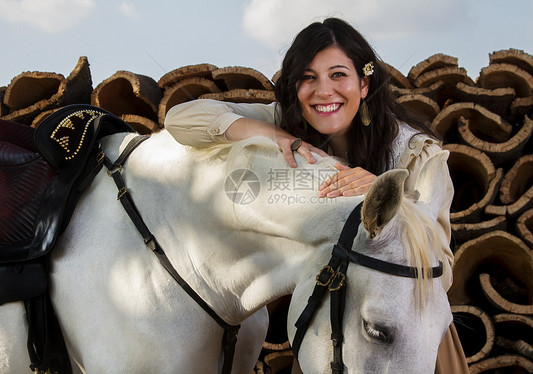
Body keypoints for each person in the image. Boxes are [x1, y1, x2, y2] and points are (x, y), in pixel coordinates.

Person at [164, 17, 469, 374]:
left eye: (338, 75)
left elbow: (442, 271)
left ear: (364, 83)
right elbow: (181, 118)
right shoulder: (288, 123)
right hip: (331, 327)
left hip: (404, 338)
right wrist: (271, 133)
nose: (324, 91)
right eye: (308, 78)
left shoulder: (419, 156)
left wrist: (386, 197)